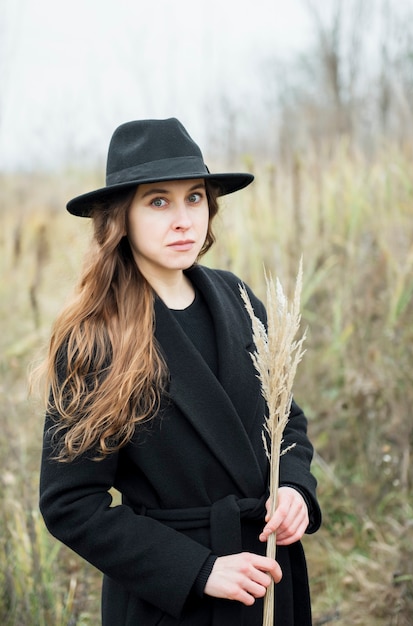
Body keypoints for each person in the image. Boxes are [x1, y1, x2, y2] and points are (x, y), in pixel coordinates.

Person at [39, 117, 322, 626]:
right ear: (120, 216)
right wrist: (197, 570)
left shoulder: (237, 297)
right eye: (158, 201)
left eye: (194, 198)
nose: (184, 219)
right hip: (175, 600)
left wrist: (295, 489)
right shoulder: (95, 336)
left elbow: (286, 422)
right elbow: (70, 503)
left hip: (271, 573)